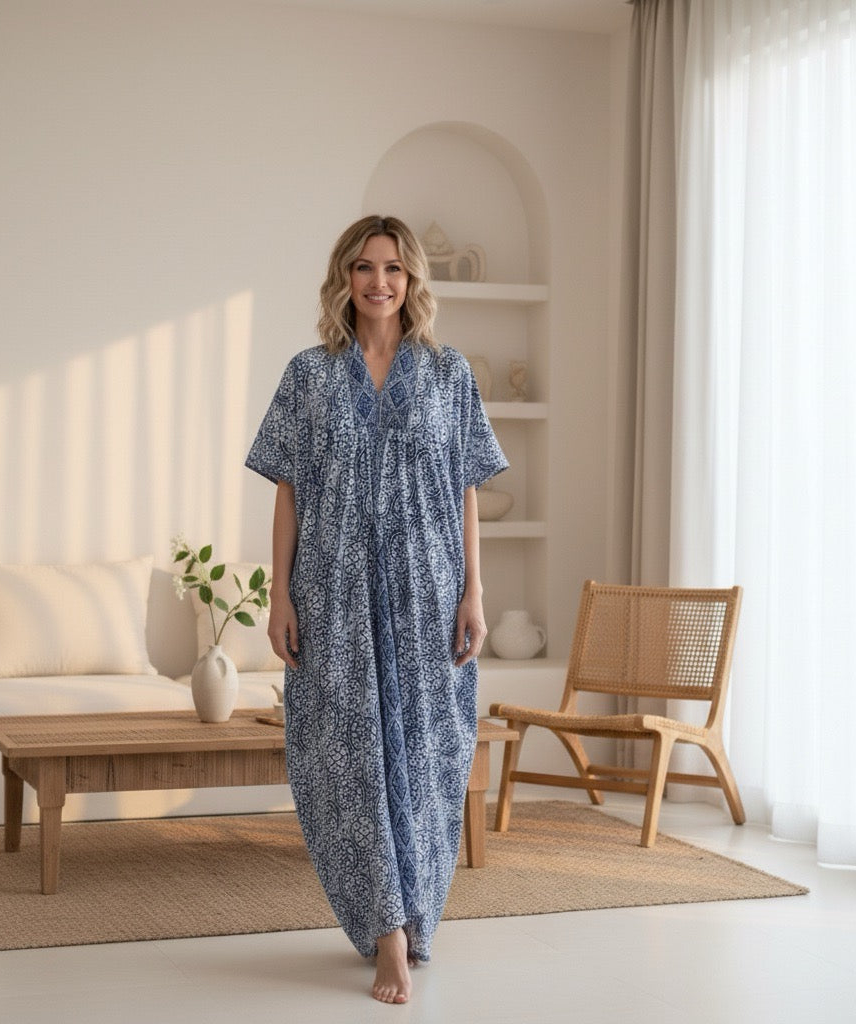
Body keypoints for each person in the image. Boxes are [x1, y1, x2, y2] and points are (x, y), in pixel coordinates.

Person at [245, 214, 507, 1005]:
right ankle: (386, 933)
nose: (379, 281)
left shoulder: (448, 372)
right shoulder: (308, 375)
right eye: (364, 267)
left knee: (426, 761)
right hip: (334, 594)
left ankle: (413, 918)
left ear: (412, 279)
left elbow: (465, 488)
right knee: (350, 760)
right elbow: (288, 493)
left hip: (428, 594)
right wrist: (279, 593)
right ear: (344, 279)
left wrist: (474, 590)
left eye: (393, 268)